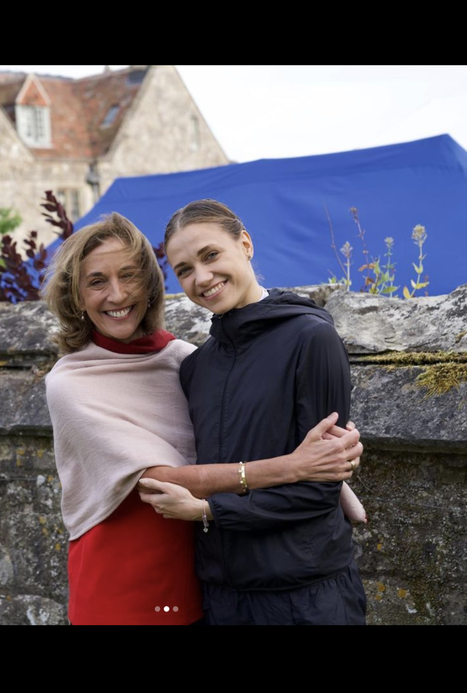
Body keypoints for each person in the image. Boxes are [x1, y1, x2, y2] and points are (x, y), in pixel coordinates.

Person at [42, 212, 365, 625]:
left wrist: (336, 479)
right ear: (75, 295)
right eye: (97, 281)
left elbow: (227, 439)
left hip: (199, 574)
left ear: (150, 284)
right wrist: (294, 467)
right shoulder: (71, 382)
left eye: (129, 275)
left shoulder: (184, 360)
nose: (118, 294)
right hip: (122, 576)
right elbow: (160, 476)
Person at [138, 199, 368, 625]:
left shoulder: (311, 339)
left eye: (211, 255)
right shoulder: (195, 368)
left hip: (305, 599)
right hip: (220, 600)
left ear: (245, 244)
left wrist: (209, 511)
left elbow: (318, 491)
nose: (201, 278)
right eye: (184, 269)